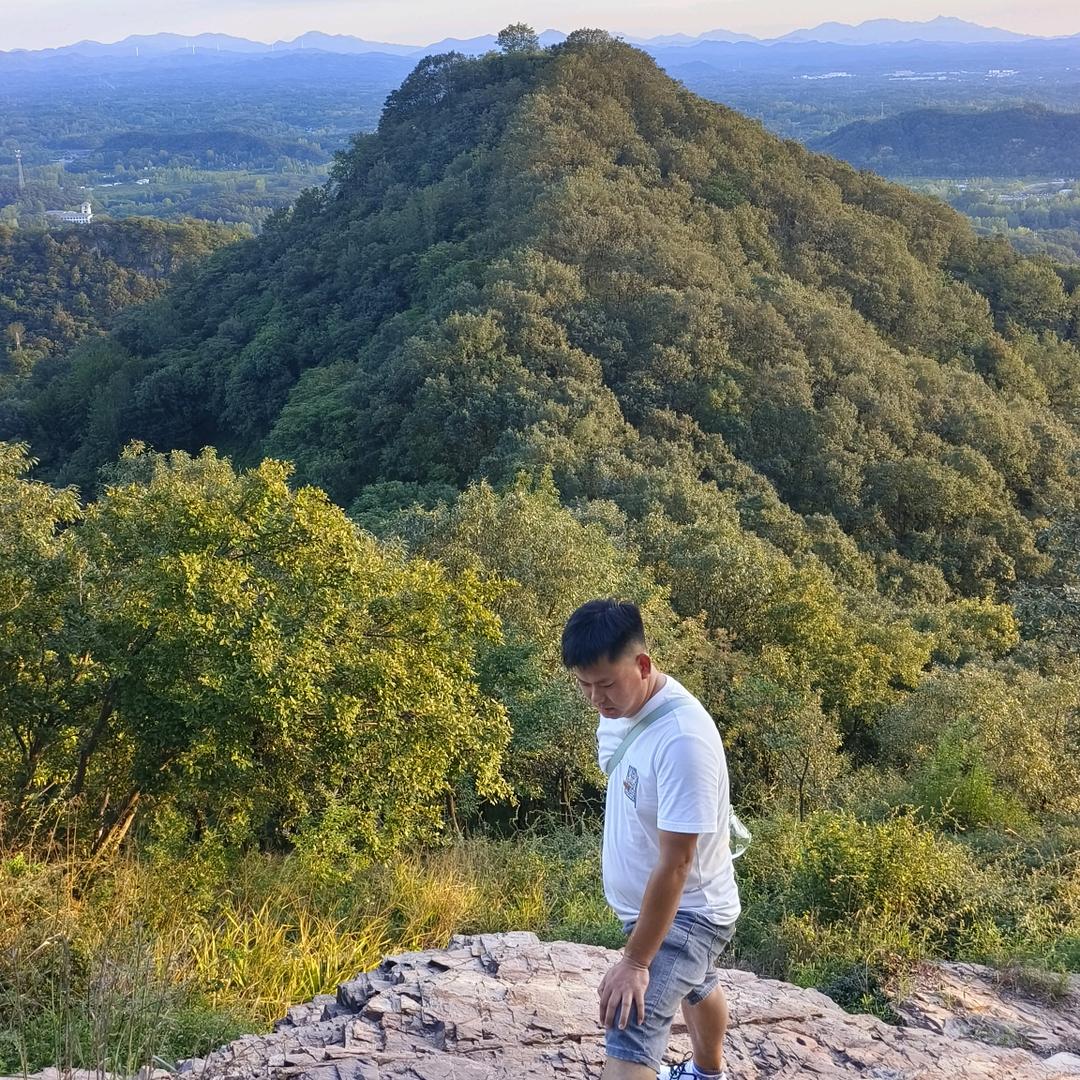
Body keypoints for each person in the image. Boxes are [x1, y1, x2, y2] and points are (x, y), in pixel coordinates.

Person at [561, 598, 740, 1080]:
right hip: (657, 906)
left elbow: (678, 863)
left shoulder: (683, 740)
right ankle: (707, 1075)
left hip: (690, 912)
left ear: (643, 665)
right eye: (584, 685)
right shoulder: (621, 709)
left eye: (604, 684)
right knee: (698, 984)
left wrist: (636, 961)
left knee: (630, 1023)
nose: (596, 699)